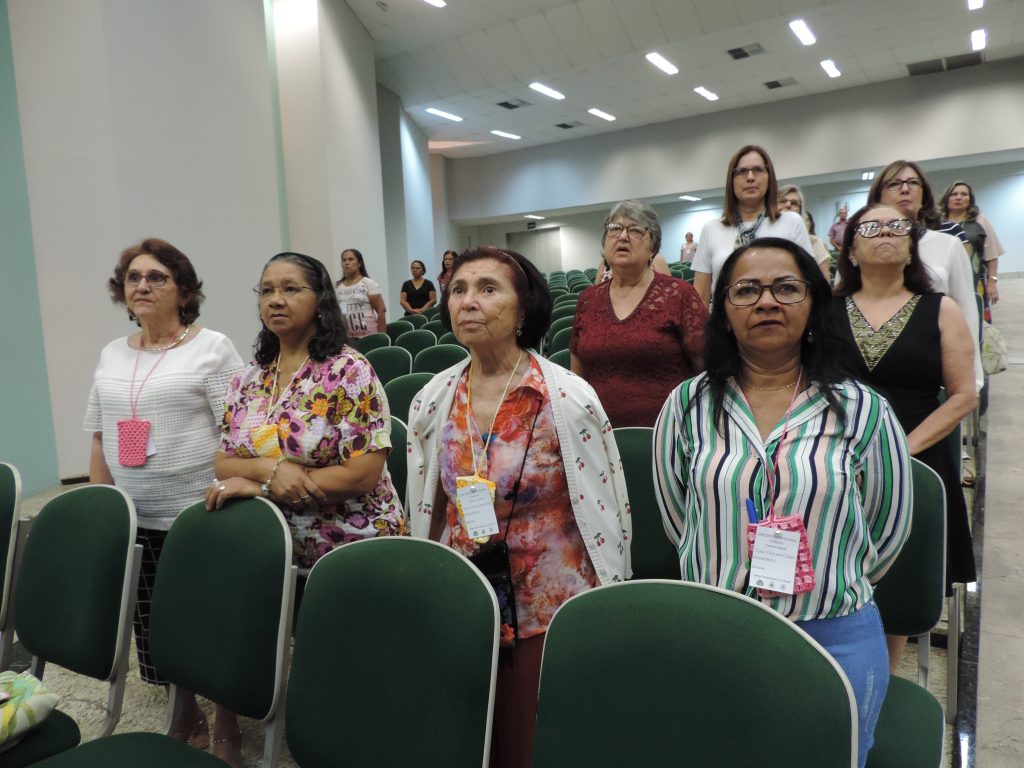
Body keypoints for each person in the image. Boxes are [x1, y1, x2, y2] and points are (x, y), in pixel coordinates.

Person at [654, 237, 912, 768]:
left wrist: (830, 578)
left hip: (833, 635)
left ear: (813, 304)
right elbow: (679, 517)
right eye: (746, 290)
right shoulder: (687, 405)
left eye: (787, 288)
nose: (766, 302)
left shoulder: (863, 409)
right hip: (715, 632)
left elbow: (888, 527)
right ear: (724, 313)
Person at [407, 246, 631, 768]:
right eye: (459, 290)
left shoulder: (567, 398)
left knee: (539, 743)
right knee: (474, 736)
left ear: (524, 309)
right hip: (469, 598)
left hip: (551, 606)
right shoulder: (434, 398)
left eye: (488, 289)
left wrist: (610, 603)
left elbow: (609, 506)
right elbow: (429, 508)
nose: (468, 301)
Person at [208, 251, 405, 766]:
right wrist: (269, 472)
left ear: (320, 299)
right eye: (267, 290)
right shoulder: (248, 377)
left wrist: (261, 485)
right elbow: (224, 459)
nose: (276, 299)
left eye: (291, 288)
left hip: (350, 542)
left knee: (349, 664)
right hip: (272, 542)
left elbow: (363, 473)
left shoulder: (348, 370)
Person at [84, 238, 244, 758]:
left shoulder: (212, 347)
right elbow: (100, 434)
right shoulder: (112, 352)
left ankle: (226, 719)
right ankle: (185, 709)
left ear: (184, 291)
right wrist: (102, 510)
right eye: (133, 277)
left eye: (157, 277)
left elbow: (238, 430)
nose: (142, 285)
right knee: (156, 623)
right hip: (137, 516)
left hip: (202, 512)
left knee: (211, 619)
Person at [833, 204, 978, 666]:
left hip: (917, 460)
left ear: (912, 247)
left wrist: (896, 453)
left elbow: (963, 395)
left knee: (897, 583)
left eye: (898, 226)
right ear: (851, 251)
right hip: (834, 459)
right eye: (871, 226)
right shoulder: (826, 311)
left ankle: (884, 678)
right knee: (834, 568)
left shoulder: (941, 308)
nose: (886, 232)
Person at [571, 200, 707, 428]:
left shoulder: (679, 294)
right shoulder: (588, 299)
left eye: (635, 230)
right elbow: (577, 379)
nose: (623, 237)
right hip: (599, 436)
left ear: (653, 247)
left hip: (670, 435)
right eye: (615, 229)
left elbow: (707, 371)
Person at [868, 160, 981, 389]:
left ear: (923, 195)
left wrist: (973, 382)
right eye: (894, 184)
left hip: (932, 370)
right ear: (879, 196)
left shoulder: (948, 245)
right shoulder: (861, 245)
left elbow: (967, 312)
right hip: (871, 367)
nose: (905, 189)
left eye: (913, 183)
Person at [692, 144, 812, 305]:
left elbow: (810, 285)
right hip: (726, 317)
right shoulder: (712, 229)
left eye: (758, 170)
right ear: (731, 181)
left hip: (780, 314)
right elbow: (701, 295)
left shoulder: (791, 222)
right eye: (741, 171)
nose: (750, 177)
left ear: (769, 177)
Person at [940, 180, 1005, 317]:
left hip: (975, 282)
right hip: (944, 282)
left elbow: (992, 254)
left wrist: (992, 282)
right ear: (947, 198)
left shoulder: (980, 221)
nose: (959, 197)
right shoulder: (937, 223)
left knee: (976, 318)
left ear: (970, 199)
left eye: (964, 194)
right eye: (954, 194)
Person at [777, 184, 831, 278]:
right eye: (782, 201)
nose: (788, 205)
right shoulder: (763, 237)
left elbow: (824, 282)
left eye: (794, 203)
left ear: (800, 210)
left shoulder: (814, 242)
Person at [335, 247, 386, 338]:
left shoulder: (368, 283)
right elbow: (341, 312)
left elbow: (381, 310)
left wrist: (382, 337)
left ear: (359, 263)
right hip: (348, 338)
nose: (347, 263)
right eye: (344, 260)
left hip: (369, 337)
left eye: (351, 259)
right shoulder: (338, 287)